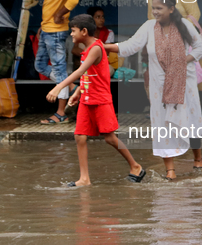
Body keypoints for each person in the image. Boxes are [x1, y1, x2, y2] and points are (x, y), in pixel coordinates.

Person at [108, 0, 202, 179]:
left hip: (185, 82)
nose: (155, 12)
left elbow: (200, 47)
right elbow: (131, 46)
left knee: (191, 119)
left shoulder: (184, 24)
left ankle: (198, 157)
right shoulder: (148, 26)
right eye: (153, 8)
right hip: (159, 85)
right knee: (162, 125)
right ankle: (170, 170)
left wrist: (182, 61)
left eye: (159, 8)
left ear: (171, 9)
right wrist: (105, 46)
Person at [46, 14, 144, 187]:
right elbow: (87, 74)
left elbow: (79, 71)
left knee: (109, 138)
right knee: (80, 137)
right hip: (87, 98)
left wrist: (58, 87)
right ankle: (84, 179)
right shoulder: (87, 49)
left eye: (73, 31)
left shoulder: (96, 49)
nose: (71, 35)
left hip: (100, 100)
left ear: (84, 31)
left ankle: (135, 166)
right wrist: (78, 92)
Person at [147, 0, 202, 100]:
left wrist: (177, 30)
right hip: (161, 44)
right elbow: (150, 18)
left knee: (185, 76)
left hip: (183, 43)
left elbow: (195, 14)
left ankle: (186, 107)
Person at [37, 0, 79, 125]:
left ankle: (61, 113)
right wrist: (43, 24)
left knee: (60, 70)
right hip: (46, 29)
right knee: (39, 65)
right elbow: (51, 2)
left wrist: (61, 13)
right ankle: (71, 85)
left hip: (56, 32)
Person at [72, 6, 118, 76]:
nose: (102, 20)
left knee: (109, 70)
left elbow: (106, 53)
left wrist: (91, 55)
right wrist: (88, 56)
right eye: (98, 17)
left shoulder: (108, 32)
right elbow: (74, 50)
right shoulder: (84, 32)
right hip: (85, 62)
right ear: (91, 20)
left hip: (100, 63)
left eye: (102, 17)